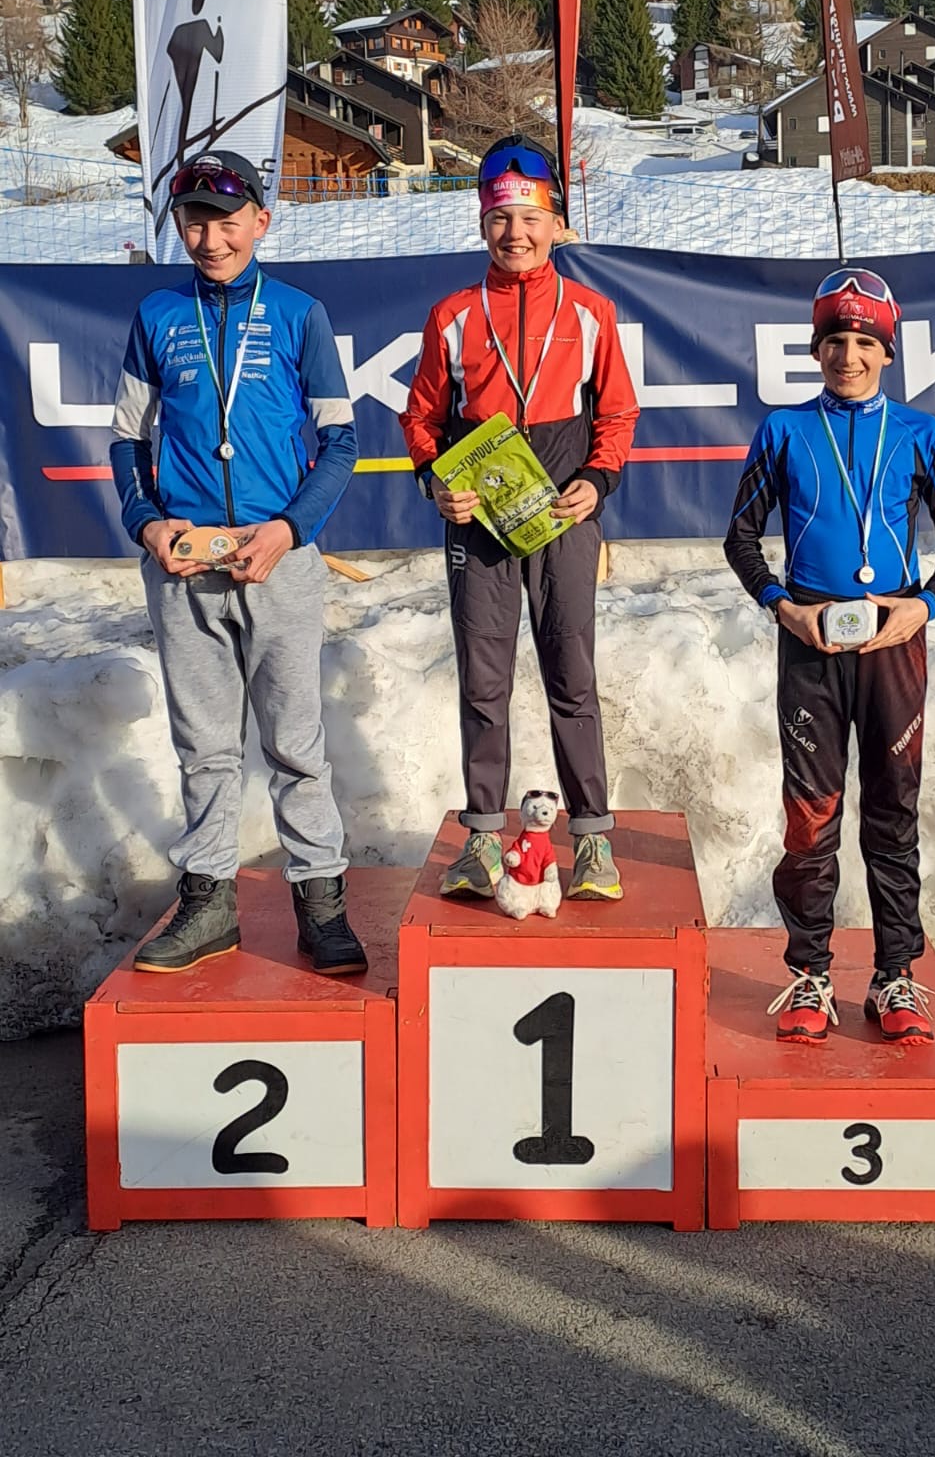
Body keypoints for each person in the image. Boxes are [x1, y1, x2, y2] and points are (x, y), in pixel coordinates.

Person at [110, 149, 368, 976]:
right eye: (194, 222)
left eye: (226, 221)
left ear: (261, 220)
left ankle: (321, 904)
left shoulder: (298, 314)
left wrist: (289, 530)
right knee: (205, 747)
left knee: (295, 743)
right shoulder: (157, 315)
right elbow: (126, 441)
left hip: (278, 559)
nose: (210, 239)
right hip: (185, 565)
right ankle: (208, 903)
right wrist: (148, 524)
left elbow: (340, 441)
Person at [724, 268, 935, 1045]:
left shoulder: (921, 434)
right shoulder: (784, 431)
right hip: (811, 645)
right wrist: (784, 607)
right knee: (812, 817)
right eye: (835, 340)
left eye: (865, 342)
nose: (849, 356)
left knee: (894, 811)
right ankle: (809, 974)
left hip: (895, 644)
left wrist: (922, 606)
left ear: (887, 353)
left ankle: (896, 975)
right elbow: (740, 538)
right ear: (816, 350)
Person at [400, 135, 639, 902]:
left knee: (572, 675)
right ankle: (480, 837)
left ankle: (592, 839)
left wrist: (597, 481)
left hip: (564, 515)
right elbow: (421, 417)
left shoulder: (592, 312)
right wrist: (438, 481)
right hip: (480, 523)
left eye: (531, 217)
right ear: (482, 224)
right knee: (484, 681)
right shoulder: (452, 316)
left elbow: (619, 413)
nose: (516, 233)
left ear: (556, 223)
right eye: (501, 218)